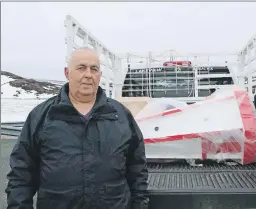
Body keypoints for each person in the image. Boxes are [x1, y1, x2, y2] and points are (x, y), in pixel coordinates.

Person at [6, 47, 149, 209]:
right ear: (67, 73)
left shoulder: (120, 116)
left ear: (99, 75)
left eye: (94, 69)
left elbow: (137, 170)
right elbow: (21, 174)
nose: (88, 74)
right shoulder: (43, 116)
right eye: (81, 68)